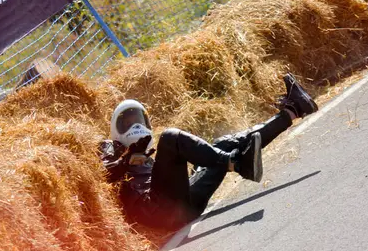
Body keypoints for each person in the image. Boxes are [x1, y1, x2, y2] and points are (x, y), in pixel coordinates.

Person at [100, 73, 318, 231]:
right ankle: (237, 163)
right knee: (170, 137)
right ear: (116, 127)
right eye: (127, 122)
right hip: (157, 212)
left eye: (138, 120)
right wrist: (125, 160)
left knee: (222, 144)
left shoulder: (147, 151)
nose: (135, 127)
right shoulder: (109, 148)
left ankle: (293, 110)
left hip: (185, 205)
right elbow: (102, 176)